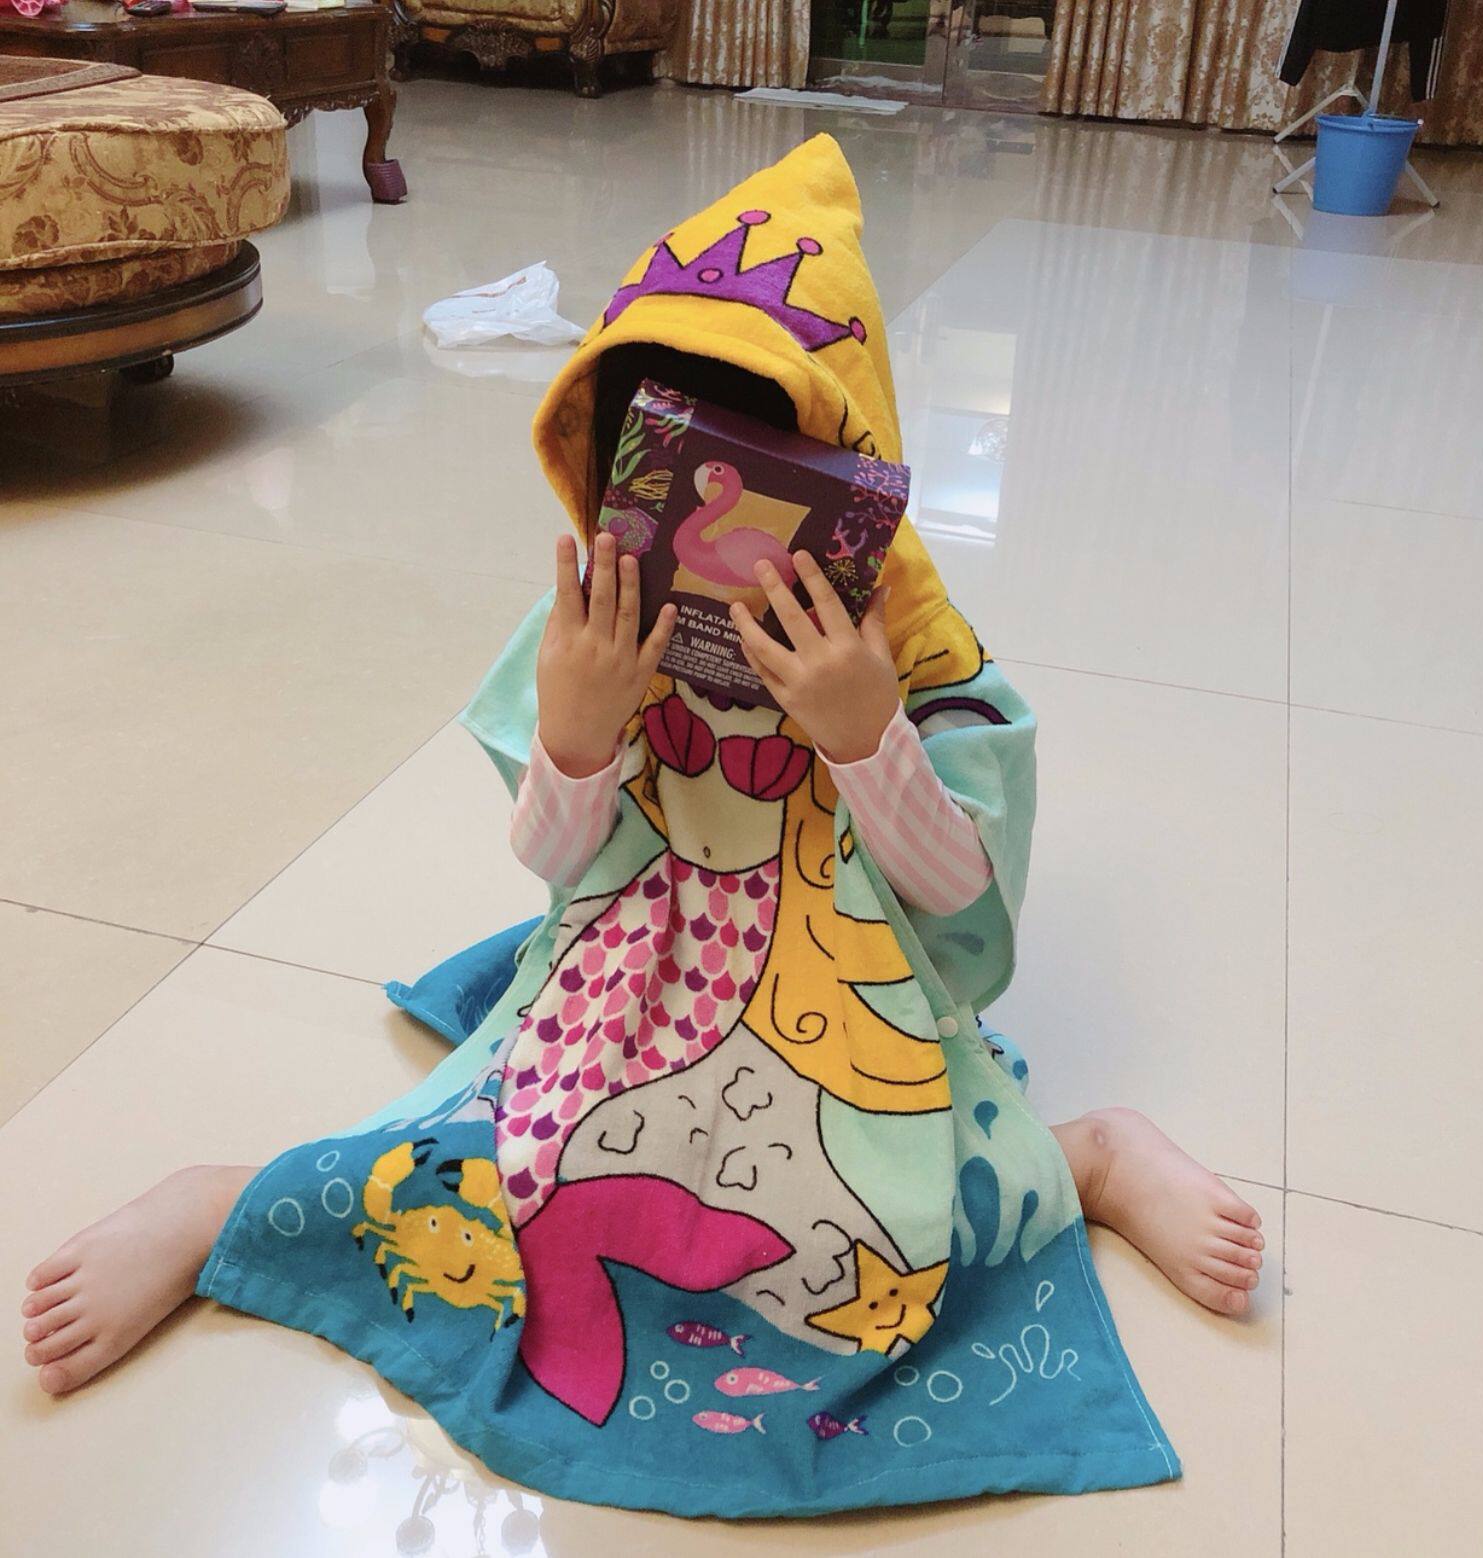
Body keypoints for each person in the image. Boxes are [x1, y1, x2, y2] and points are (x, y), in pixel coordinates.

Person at [21, 136, 1260, 1518]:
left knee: (897, 1214)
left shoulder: (916, 654)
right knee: (514, 1169)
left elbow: (962, 933)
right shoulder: (601, 621)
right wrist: (578, 732)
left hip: (844, 1001)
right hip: (632, 981)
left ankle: (1087, 1158)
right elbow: (560, 869)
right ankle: (232, 1197)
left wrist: (867, 738)